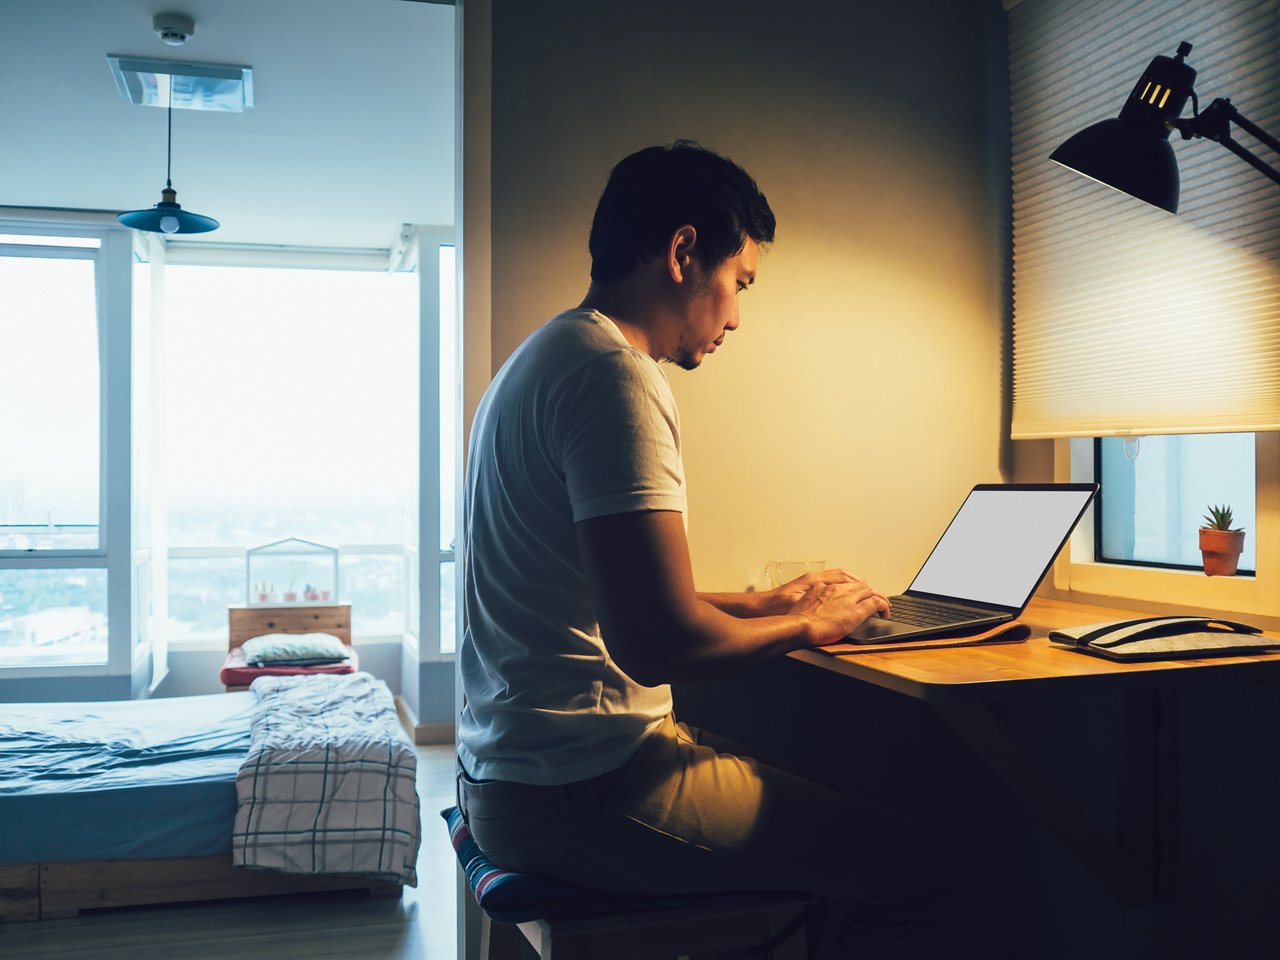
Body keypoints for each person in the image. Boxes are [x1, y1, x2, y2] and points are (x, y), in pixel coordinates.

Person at [457, 141, 950, 957]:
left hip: (513, 778)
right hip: (575, 791)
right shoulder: (614, 376)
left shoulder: (542, 358)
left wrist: (771, 603)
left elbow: (613, 594)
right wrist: (807, 629)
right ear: (684, 253)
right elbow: (655, 643)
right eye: (740, 283)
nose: (738, 315)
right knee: (910, 860)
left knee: (823, 793)